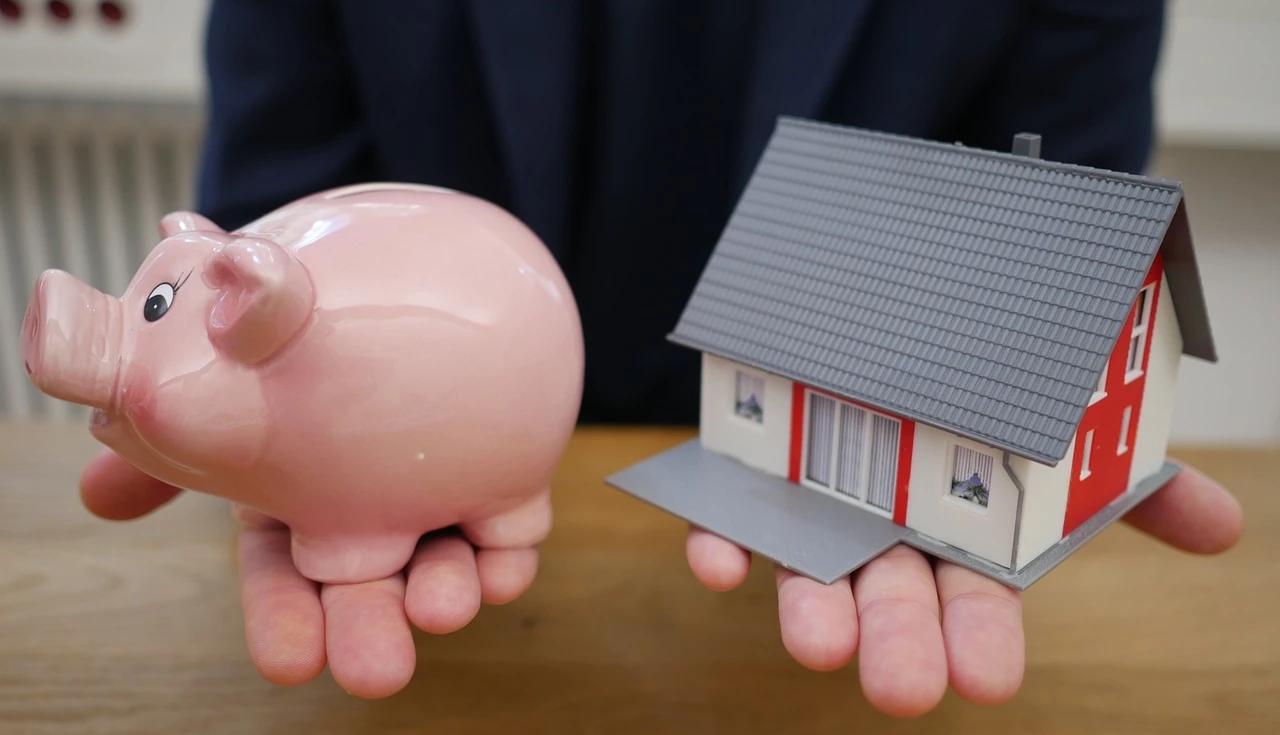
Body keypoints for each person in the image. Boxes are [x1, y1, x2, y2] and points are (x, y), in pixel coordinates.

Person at [80, 0, 1244, 718]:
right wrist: (224, 411)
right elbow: (272, 207)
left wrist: (1051, 442)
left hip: (799, 404)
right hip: (425, 444)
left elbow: (1055, 240)